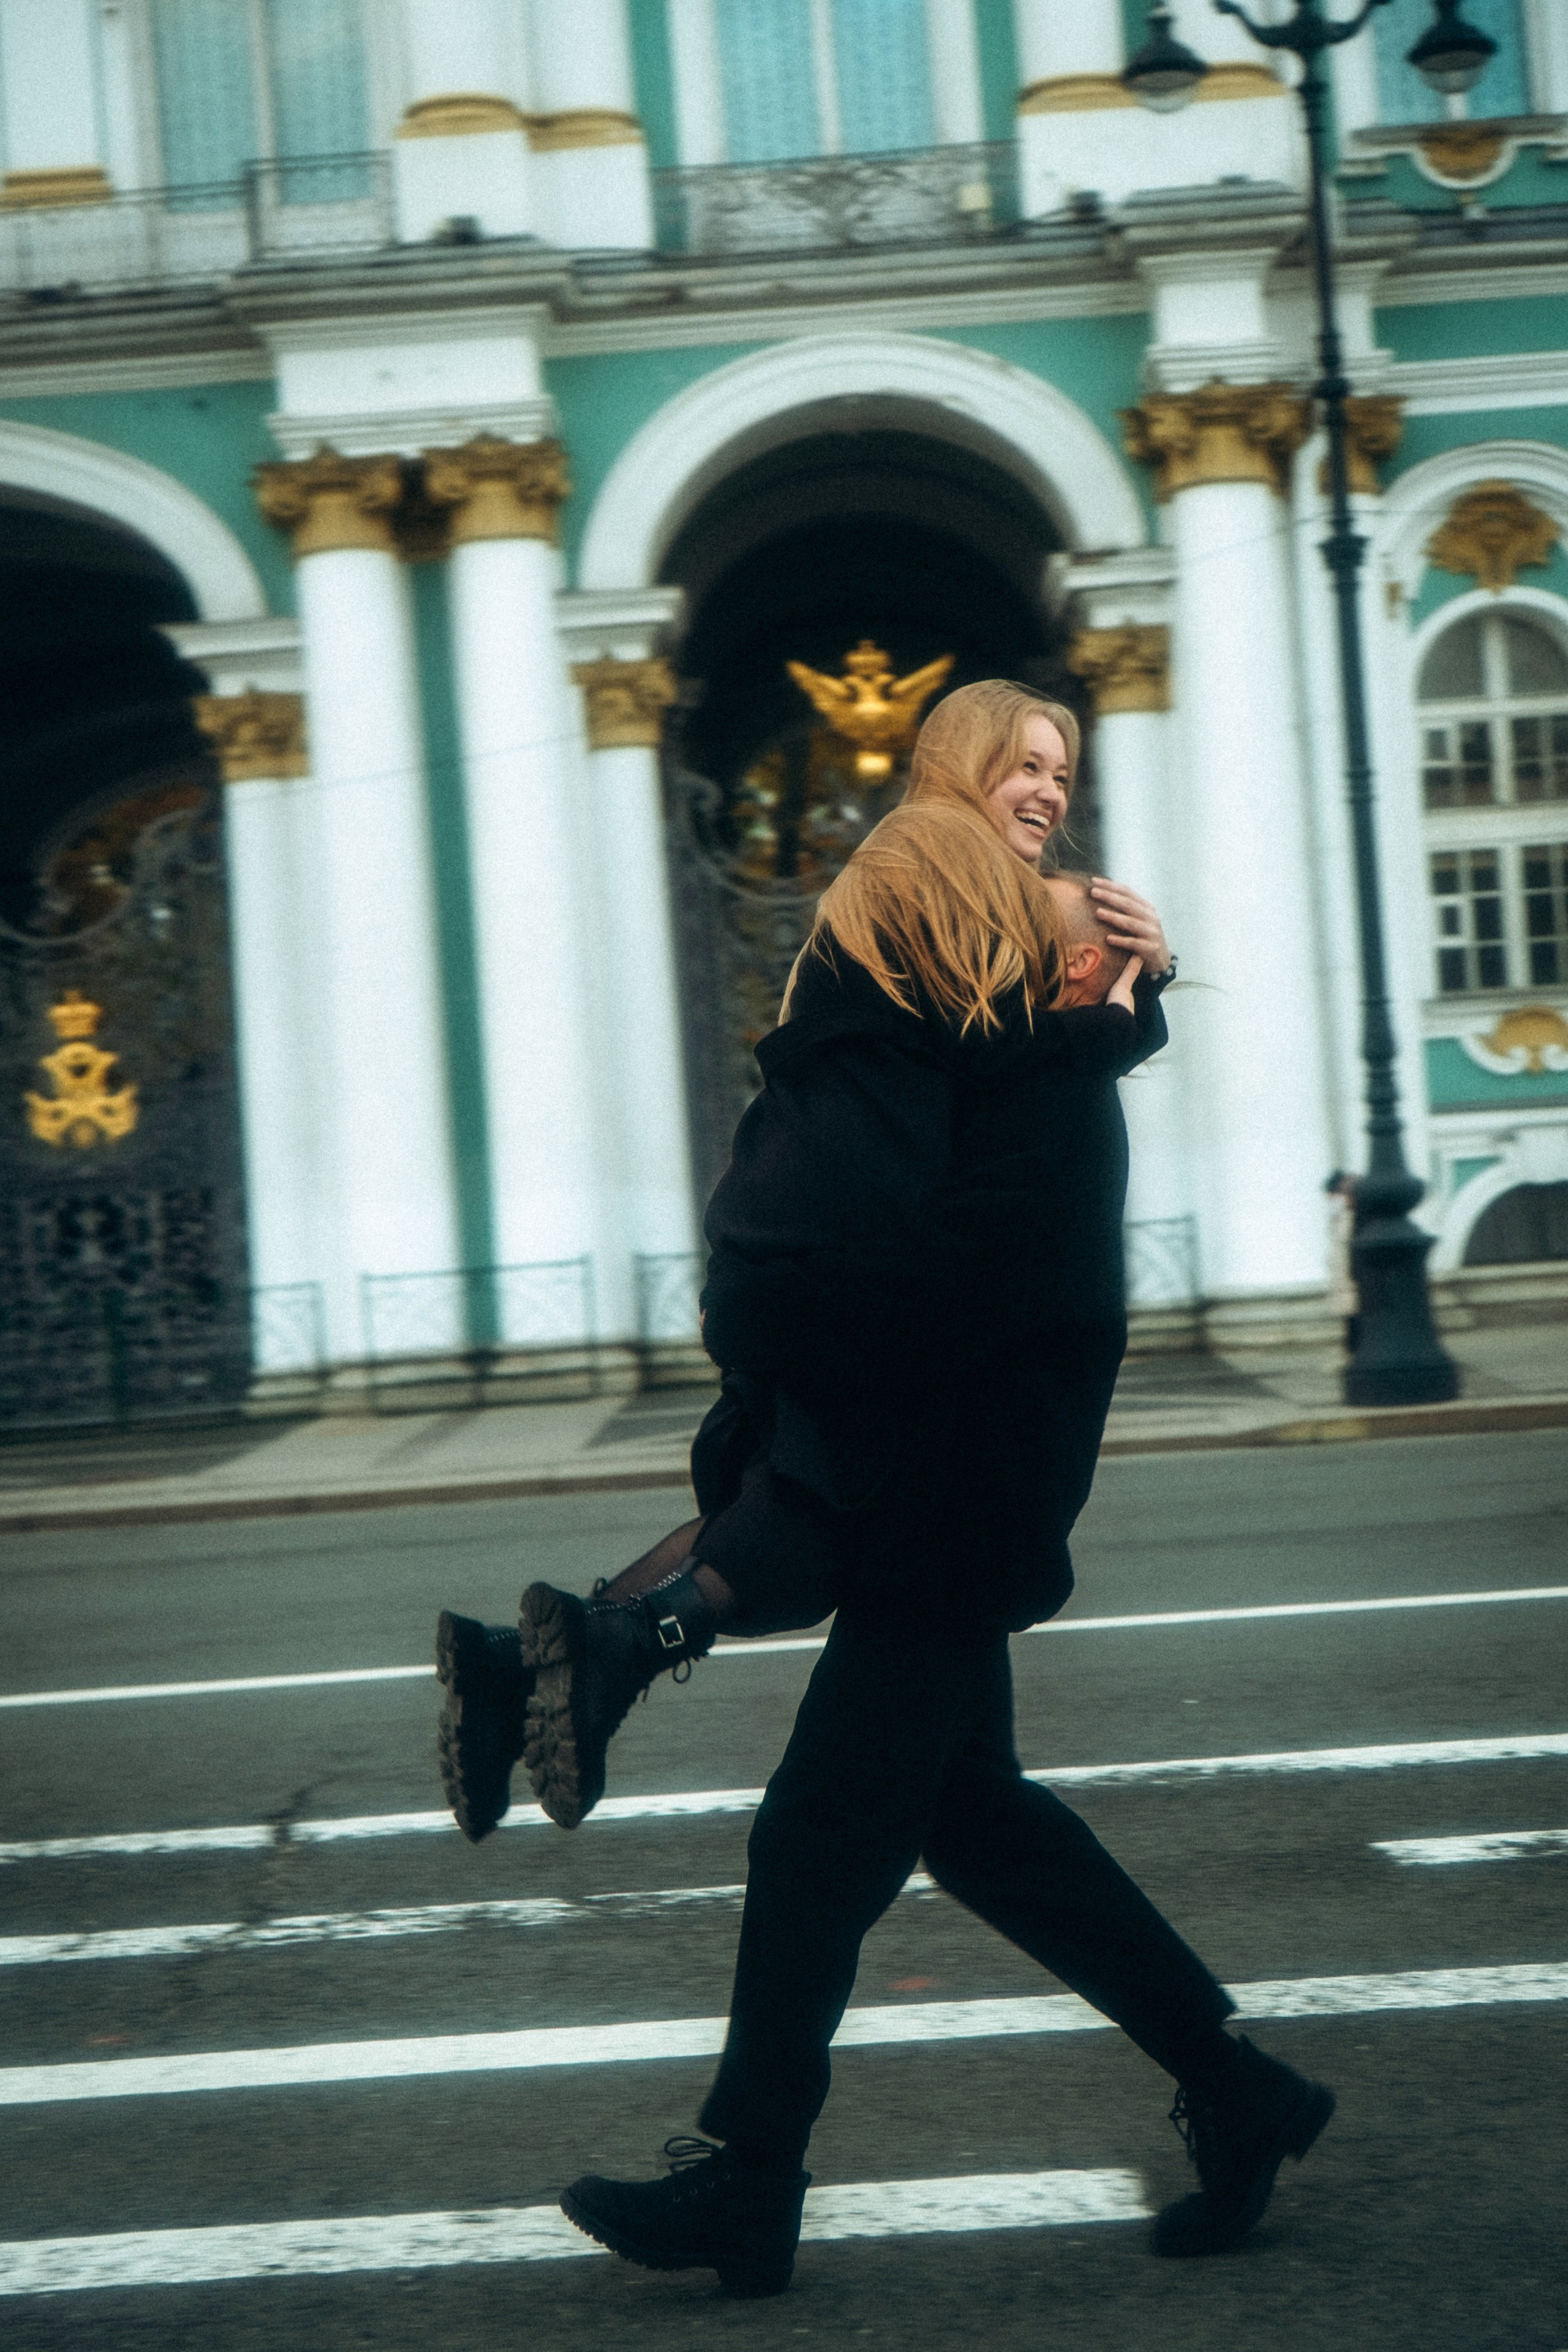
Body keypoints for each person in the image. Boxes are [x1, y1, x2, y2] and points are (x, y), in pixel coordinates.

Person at [433, 682, 1333, 2293]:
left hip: (963, 1483)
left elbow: (973, 1240)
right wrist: (1118, 1007)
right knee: (976, 1822)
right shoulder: (1001, 1041)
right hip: (959, 1466)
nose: (1050, 792)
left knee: (819, 1836)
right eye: (1024, 765)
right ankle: (1237, 2085)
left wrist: (1127, 995)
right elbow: (953, 1181)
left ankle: (752, 2171)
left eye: (1065, 770)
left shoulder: (1034, 1058)